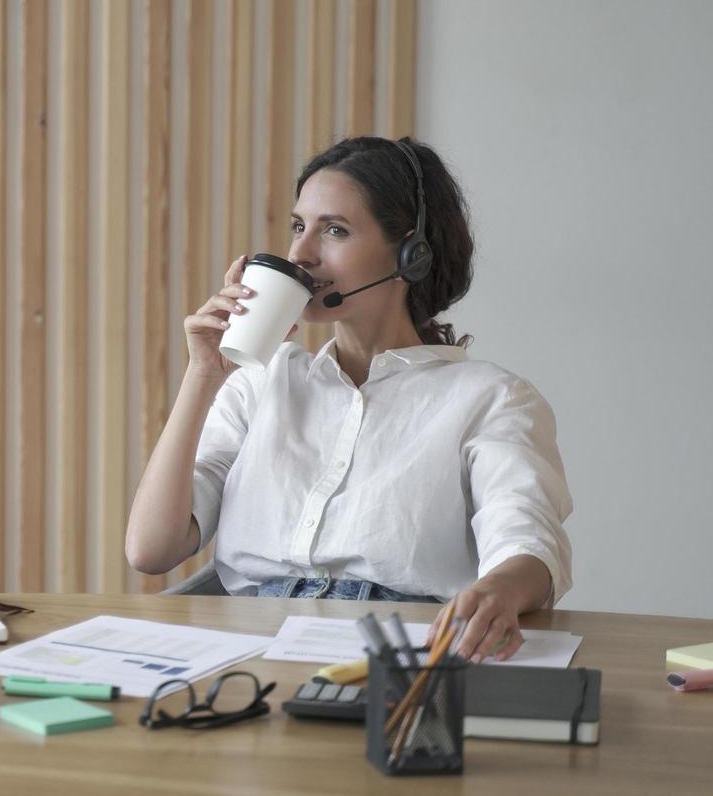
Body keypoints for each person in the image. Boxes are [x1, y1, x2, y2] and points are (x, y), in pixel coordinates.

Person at [124, 136, 572, 663]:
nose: (299, 254)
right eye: (299, 226)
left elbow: (529, 544)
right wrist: (203, 374)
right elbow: (150, 550)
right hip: (248, 648)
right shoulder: (260, 383)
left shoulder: (490, 398)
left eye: (334, 230)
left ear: (412, 253)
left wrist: (499, 589)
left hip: (394, 651)